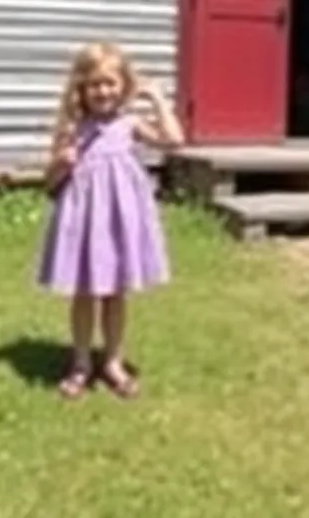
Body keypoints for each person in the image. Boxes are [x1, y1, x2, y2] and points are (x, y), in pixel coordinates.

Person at [38, 41, 183, 400]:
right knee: (84, 292)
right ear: (81, 88)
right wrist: (62, 163)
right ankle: (81, 363)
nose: (103, 91)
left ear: (123, 85)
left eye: (110, 83)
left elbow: (174, 140)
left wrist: (158, 99)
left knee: (115, 293)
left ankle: (113, 362)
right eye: (94, 85)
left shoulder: (129, 123)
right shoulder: (73, 128)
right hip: (84, 222)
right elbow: (49, 183)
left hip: (119, 220)